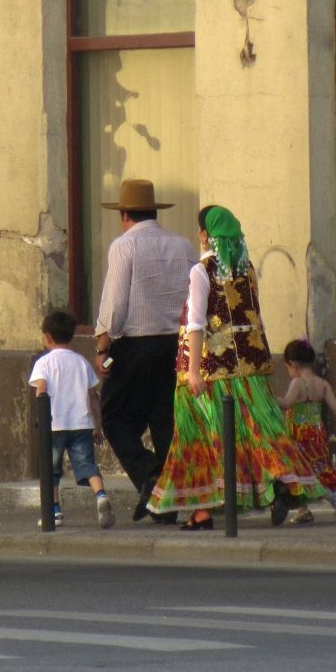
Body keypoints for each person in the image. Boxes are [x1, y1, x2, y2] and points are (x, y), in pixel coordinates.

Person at [147, 205, 324, 530]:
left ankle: (201, 512)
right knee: (261, 433)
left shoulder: (202, 271)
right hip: (251, 372)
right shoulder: (247, 269)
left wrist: (196, 371)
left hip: (211, 372)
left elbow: (197, 323)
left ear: (205, 234)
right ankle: (280, 483)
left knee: (202, 439)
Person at [93, 179, 195, 523]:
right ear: (154, 211)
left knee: (114, 417)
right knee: (165, 420)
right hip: (178, 344)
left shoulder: (124, 246)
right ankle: (168, 502)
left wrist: (102, 344)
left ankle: (152, 476)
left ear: (125, 215)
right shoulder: (182, 246)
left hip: (137, 344)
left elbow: (115, 302)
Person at [29, 309, 115, 530]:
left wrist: (41, 417)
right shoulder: (81, 363)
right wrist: (98, 425)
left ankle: (55, 511)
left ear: (47, 336)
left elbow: (42, 390)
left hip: (54, 424)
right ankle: (101, 495)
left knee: (51, 470)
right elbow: (93, 396)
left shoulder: (44, 363)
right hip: (81, 424)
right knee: (87, 466)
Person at [277, 338, 336, 524]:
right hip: (317, 433)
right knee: (316, 468)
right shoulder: (322, 384)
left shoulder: (298, 383)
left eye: (287, 367)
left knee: (299, 471)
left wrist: (268, 397)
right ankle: (305, 509)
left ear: (293, 364)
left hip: (299, 433)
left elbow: (286, 403)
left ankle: (331, 496)